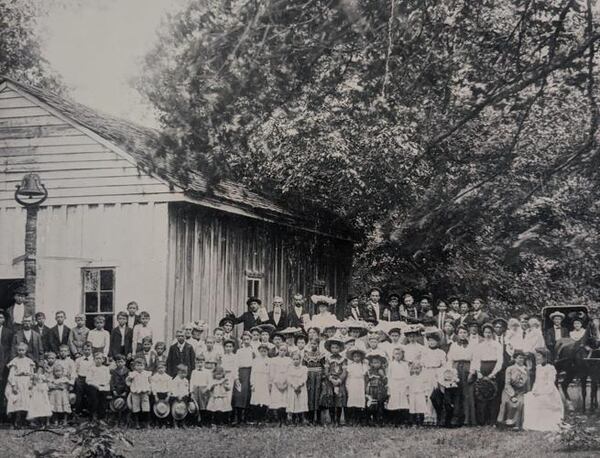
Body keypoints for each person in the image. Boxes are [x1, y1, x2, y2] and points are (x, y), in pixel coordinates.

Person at [523, 348, 563, 432]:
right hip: (538, 389)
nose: (537, 358)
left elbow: (550, 384)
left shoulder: (550, 368)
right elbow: (537, 381)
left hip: (549, 391)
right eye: (536, 356)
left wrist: (542, 392)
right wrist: (534, 390)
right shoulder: (538, 367)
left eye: (539, 356)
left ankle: (545, 422)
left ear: (545, 357)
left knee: (542, 400)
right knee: (529, 398)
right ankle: (533, 423)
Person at [472, 323, 503, 425]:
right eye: (486, 332)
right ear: (483, 333)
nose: (488, 334)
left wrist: (493, 373)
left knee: (494, 396)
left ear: (492, 333)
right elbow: (476, 360)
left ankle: (492, 420)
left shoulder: (497, 345)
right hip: (483, 368)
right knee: (481, 394)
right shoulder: (479, 346)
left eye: (490, 332)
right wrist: (478, 372)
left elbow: (500, 361)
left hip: (494, 369)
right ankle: (482, 421)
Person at [446, 324, 476, 426]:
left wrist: (472, 372)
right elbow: (449, 359)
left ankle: (467, 419)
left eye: (464, 332)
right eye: (460, 333)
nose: (462, 335)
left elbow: (475, 359)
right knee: (456, 393)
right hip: (456, 368)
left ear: (467, 334)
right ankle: (456, 419)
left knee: (467, 394)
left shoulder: (472, 345)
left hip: (467, 369)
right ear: (457, 334)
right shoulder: (453, 345)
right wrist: (450, 372)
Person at [496, 350, 529, 430]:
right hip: (509, 390)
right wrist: (512, 395)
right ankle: (504, 423)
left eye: (523, 358)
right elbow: (507, 383)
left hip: (521, 391)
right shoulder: (510, 369)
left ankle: (516, 424)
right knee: (507, 402)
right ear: (514, 359)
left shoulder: (526, 369)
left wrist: (527, 393)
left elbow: (528, 383)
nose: (521, 360)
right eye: (519, 358)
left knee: (521, 403)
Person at [5, 342, 35, 428]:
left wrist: (31, 383)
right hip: (17, 382)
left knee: (26, 402)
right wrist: (13, 385)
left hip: (26, 382)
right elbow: (11, 375)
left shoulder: (29, 361)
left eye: (23, 350)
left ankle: (25, 421)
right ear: (17, 351)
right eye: (19, 350)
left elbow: (32, 374)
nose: (21, 352)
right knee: (16, 401)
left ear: (26, 351)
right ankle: (15, 422)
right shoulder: (14, 361)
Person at [421, 332, 447, 425]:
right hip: (427, 373)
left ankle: (436, 417)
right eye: (430, 341)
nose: (431, 343)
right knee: (427, 394)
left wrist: (439, 375)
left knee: (435, 395)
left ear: (437, 342)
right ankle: (427, 417)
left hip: (437, 373)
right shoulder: (425, 352)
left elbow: (444, 365)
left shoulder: (441, 353)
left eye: (433, 341)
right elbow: (422, 364)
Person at [320, 338, 347, 426]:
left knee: (339, 401)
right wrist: (331, 379)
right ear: (330, 349)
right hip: (330, 381)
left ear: (339, 349)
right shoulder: (328, 359)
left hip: (339, 381)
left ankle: (338, 420)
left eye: (336, 348)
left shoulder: (343, 359)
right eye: (333, 348)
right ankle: (331, 420)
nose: (335, 349)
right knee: (331, 400)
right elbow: (326, 371)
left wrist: (339, 380)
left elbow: (344, 372)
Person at [232, 332, 254, 425]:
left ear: (250, 339)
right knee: (239, 394)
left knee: (248, 395)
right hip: (241, 373)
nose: (246, 341)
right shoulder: (239, 351)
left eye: (248, 339)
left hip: (251, 372)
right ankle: (239, 418)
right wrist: (236, 377)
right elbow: (236, 364)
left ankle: (246, 418)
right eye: (244, 339)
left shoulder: (253, 351)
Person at [386, 347, 410, 426]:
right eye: (396, 354)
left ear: (402, 354)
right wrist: (389, 387)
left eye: (399, 354)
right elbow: (389, 376)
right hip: (394, 384)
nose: (398, 356)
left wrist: (407, 385)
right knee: (394, 401)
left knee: (403, 402)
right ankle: (394, 421)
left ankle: (403, 421)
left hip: (403, 384)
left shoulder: (405, 364)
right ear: (393, 355)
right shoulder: (391, 364)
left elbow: (407, 375)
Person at [127, 357, 152, 428]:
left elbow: (150, 382)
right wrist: (130, 385)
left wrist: (150, 389)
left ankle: (146, 423)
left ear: (144, 366)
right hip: (135, 392)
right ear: (134, 366)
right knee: (136, 407)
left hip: (145, 391)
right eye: (137, 365)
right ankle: (137, 423)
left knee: (146, 407)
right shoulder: (133, 374)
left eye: (141, 365)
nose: (139, 367)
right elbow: (128, 381)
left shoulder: (147, 373)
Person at [303, 339, 324, 425]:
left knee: (318, 396)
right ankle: (310, 419)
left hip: (319, 376)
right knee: (310, 396)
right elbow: (304, 366)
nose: (313, 345)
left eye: (315, 344)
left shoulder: (322, 355)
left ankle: (318, 419)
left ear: (318, 344)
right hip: (309, 376)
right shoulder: (306, 355)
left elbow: (324, 366)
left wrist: (323, 377)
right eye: (311, 344)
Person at [269, 343, 290, 426]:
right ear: (278, 350)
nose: (282, 352)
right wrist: (276, 384)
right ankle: (278, 420)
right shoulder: (273, 360)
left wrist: (286, 383)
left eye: (284, 350)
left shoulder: (289, 360)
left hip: (286, 381)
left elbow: (290, 372)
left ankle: (284, 419)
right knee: (277, 401)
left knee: (284, 401)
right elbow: (272, 373)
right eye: (281, 350)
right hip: (276, 382)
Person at [345, 348, 367, 425]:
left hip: (360, 383)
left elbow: (365, 376)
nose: (357, 358)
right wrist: (347, 386)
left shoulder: (363, 366)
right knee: (352, 401)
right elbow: (348, 377)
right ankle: (352, 419)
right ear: (352, 358)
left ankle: (359, 419)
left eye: (358, 356)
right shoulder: (350, 366)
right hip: (352, 383)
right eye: (355, 356)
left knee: (360, 401)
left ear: (361, 357)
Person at [365, 354, 388, 426]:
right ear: (371, 363)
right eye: (374, 363)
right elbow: (366, 381)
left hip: (380, 391)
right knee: (371, 405)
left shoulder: (383, 371)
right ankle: (370, 420)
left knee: (380, 405)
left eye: (378, 362)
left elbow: (386, 382)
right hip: (371, 390)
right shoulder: (369, 371)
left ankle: (379, 420)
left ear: (381, 363)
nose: (376, 364)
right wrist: (366, 390)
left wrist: (383, 376)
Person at [250, 343, 271, 424]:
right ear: (259, 351)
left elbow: (270, 373)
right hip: (257, 380)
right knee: (256, 400)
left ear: (267, 352)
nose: (263, 353)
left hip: (265, 381)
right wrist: (252, 384)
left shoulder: (269, 360)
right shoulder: (255, 360)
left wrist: (270, 384)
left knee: (264, 400)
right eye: (261, 351)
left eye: (265, 351)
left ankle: (263, 418)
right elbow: (252, 373)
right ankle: (256, 419)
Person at [86, 353, 110, 420]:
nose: (98, 360)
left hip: (103, 386)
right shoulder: (91, 368)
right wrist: (96, 385)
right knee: (94, 399)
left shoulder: (105, 368)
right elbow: (88, 380)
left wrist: (104, 384)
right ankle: (93, 415)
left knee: (103, 400)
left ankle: (101, 417)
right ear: (94, 360)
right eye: (96, 358)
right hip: (93, 386)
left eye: (100, 358)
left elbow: (108, 379)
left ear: (103, 360)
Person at [286, 352, 308, 424]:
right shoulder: (289, 368)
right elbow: (288, 378)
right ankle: (292, 418)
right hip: (292, 387)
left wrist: (299, 384)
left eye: (297, 359)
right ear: (292, 360)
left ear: (300, 359)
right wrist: (293, 385)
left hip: (301, 387)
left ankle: (302, 417)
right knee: (293, 401)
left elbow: (304, 377)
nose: (296, 361)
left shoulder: (304, 368)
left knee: (301, 401)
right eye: (294, 359)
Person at [0, 311, 14, 421]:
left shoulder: (8, 332)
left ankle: (2, 414)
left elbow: (11, 349)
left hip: (4, 364)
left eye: (1, 318)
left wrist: (6, 363)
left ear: (4, 320)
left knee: (3, 388)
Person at [190, 354, 211, 426]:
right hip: (196, 389)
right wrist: (191, 391)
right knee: (195, 406)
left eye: (201, 362)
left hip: (204, 390)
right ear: (196, 363)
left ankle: (204, 421)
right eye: (198, 362)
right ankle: (195, 422)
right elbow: (192, 382)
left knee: (203, 406)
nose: (200, 364)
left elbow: (210, 382)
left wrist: (207, 389)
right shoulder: (194, 372)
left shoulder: (207, 372)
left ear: (204, 362)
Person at [74, 342, 94, 414]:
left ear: (92, 350)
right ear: (82, 350)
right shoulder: (78, 360)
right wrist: (76, 379)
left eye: (88, 349)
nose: (87, 351)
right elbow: (75, 371)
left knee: (90, 396)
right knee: (79, 396)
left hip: (90, 380)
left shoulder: (94, 360)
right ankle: (78, 413)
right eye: (85, 349)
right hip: (80, 379)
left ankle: (90, 412)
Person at [109, 354, 129, 426]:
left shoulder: (127, 372)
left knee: (124, 405)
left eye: (121, 361)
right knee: (115, 404)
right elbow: (112, 382)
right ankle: (114, 419)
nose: (119, 363)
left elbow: (128, 383)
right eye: (117, 362)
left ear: (125, 362)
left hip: (124, 391)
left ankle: (123, 420)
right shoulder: (114, 372)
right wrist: (113, 390)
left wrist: (126, 391)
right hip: (116, 390)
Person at [150, 361, 172, 427]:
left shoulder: (168, 377)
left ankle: (165, 423)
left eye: (162, 368)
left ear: (165, 368)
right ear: (157, 369)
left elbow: (170, 387)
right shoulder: (154, 377)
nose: (161, 369)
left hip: (165, 394)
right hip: (157, 394)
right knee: (156, 407)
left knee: (165, 407)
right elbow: (153, 387)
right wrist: (155, 395)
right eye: (159, 368)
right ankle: (156, 423)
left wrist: (168, 395)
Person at [169, 364, 190, 428]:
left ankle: (183, 423)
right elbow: (174, 389)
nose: (184, 375)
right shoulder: (175, 380)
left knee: (183, 410)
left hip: (184, 397)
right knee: (176, 410)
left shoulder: (186, 380)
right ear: (178, 373)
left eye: (185, 373)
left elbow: (186, 389)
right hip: (177, 397)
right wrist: (178, 395)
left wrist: (186, 394)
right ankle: (175, 423)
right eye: (182, 373)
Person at [408, 361, 428, 426]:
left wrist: (426, 395)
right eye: (414, 368)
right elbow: (408, 386)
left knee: (421, 408)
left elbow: (426, 386)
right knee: (413, 409)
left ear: (421, 369)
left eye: (417, 368)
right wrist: (408, 394)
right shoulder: (410, 377)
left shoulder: (423, 377)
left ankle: (421, 423)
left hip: (420, 394)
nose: (415, 370)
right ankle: (413, 423)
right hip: (412, 394)